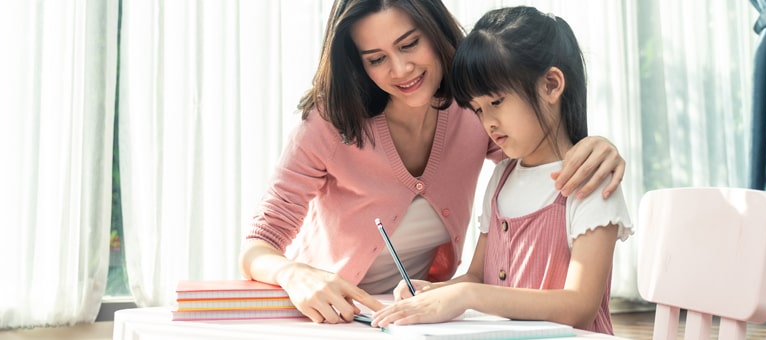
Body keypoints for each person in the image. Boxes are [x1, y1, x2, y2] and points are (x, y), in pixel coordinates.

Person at [239, 0, 628, 325]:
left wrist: (594, 146)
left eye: (409, 44)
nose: (400, 70)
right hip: (334, 317)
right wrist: (294, 273)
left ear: (435, 31)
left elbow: (539, 149)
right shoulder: (332, 123)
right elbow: (258, 245)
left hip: (419, 317)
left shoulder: (471, 109)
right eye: (377, 59)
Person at [369, 6, 634, 334]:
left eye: (496, 102)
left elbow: (579, 307)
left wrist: (468, 295)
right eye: (478, 109)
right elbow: (478, 276)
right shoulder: (502, 177)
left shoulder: (589, 180)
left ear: (551, 85)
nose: (488, 122)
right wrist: (434, 293)